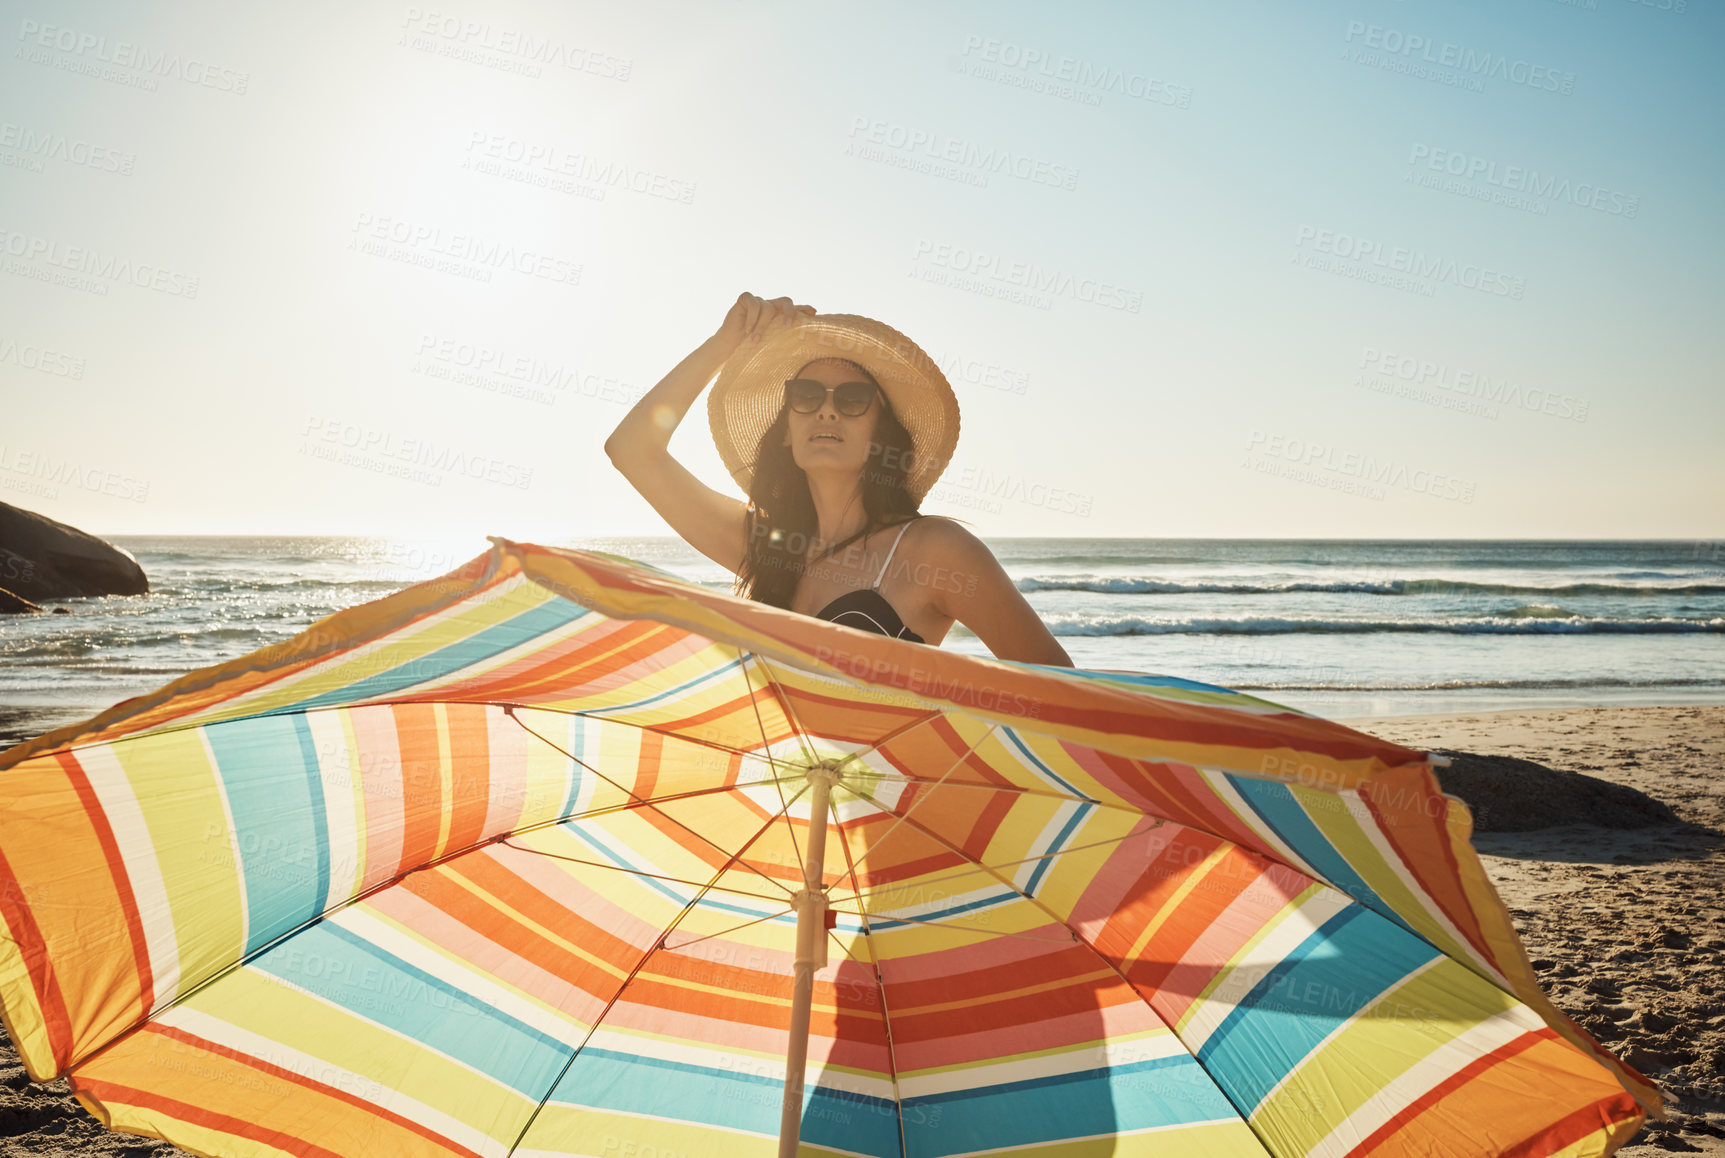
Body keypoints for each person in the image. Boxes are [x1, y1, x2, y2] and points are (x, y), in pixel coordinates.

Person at [604, 292, 1072, 666]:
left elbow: (1064, 696)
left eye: (852, 399)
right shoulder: (765, 546)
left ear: (879, 431)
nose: (826, 408)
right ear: (787, 432)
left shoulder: (936, 551)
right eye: (805, 395)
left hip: (893, 784)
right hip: (786, 785)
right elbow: (630, 450)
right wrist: (728, 340)